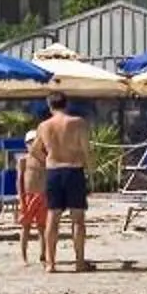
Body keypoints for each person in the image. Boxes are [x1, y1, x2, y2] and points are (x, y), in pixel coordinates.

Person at [31, 93, 94, 270]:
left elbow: (34, 150)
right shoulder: (77, 123)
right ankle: (79, 261)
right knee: (78, 219)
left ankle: (51, 263)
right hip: (74, 170)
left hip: (54, 171)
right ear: (67, 105)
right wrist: (91, 171)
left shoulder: (44, 126)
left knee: (53, 217)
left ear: (50, 106)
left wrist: (47, 160)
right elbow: (86, 149)